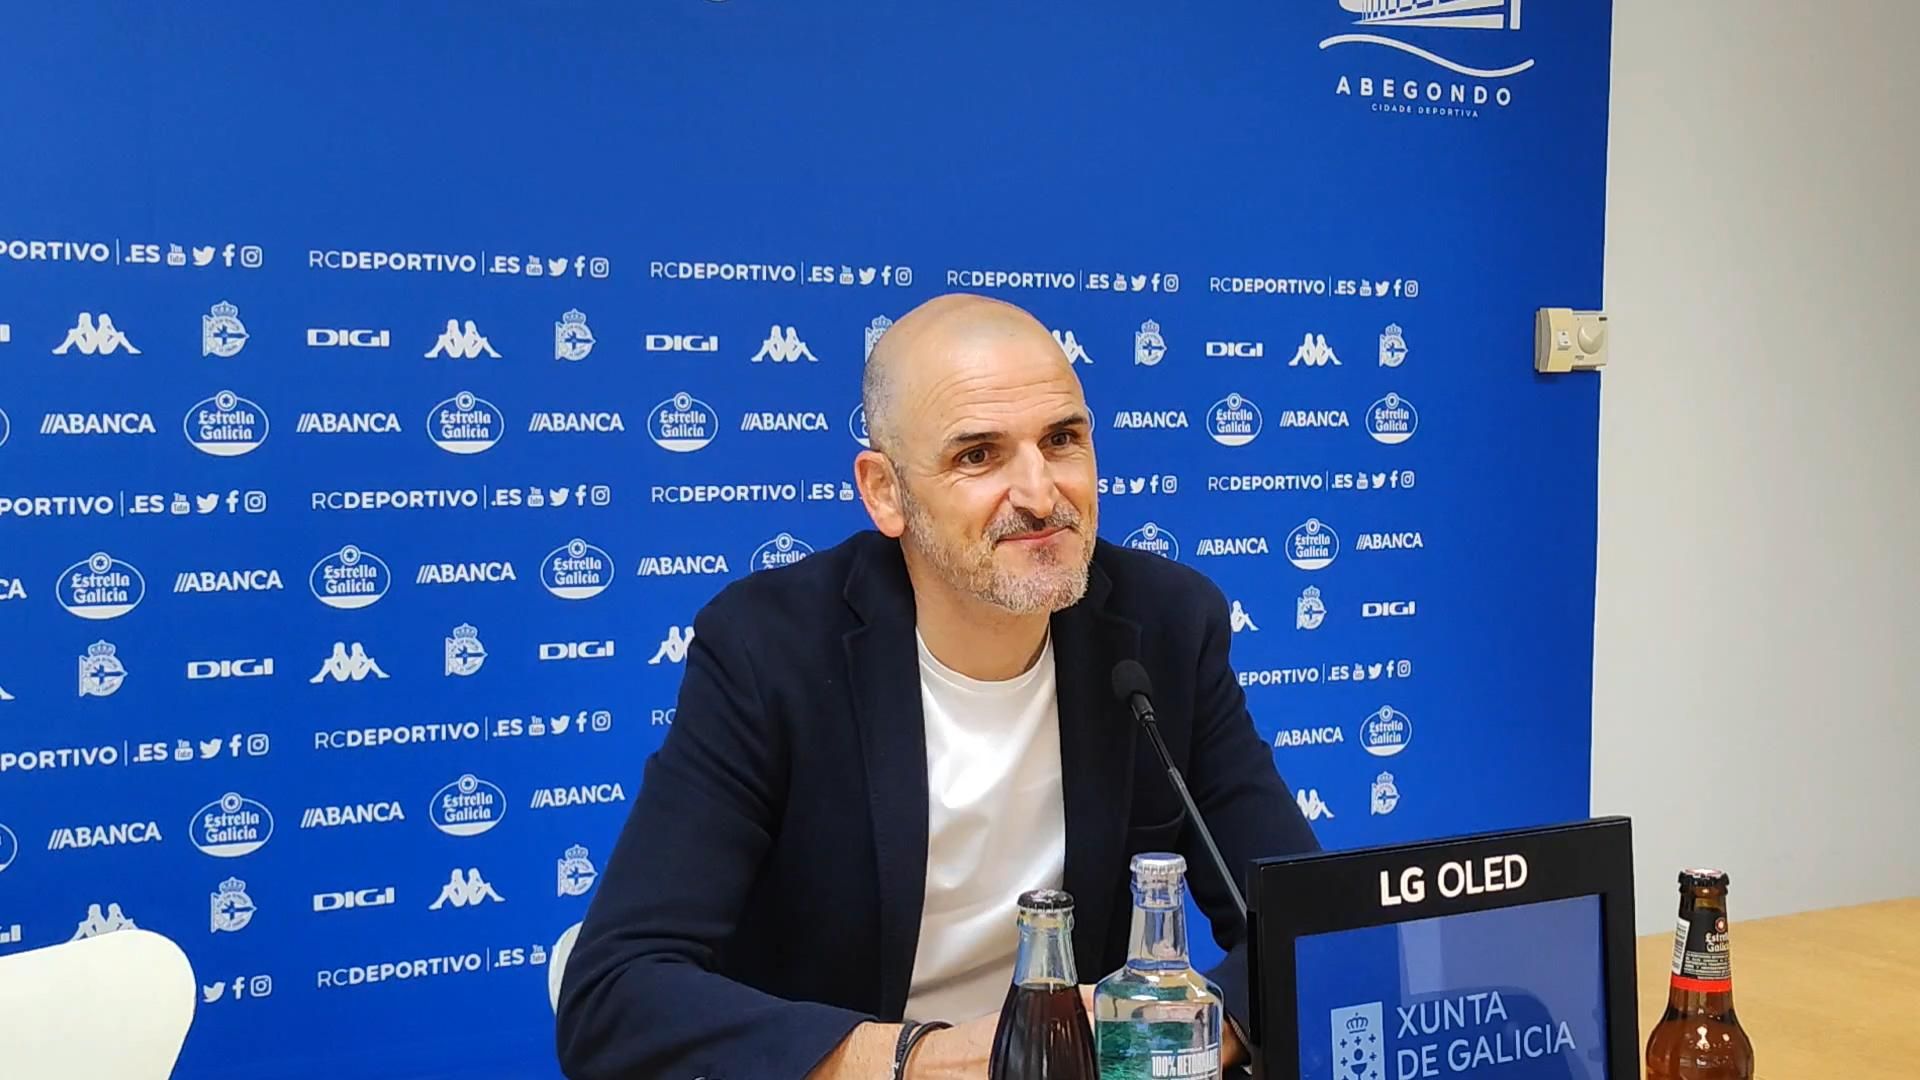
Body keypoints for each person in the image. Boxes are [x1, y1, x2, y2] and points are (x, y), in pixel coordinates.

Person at [556, 294, 1320, 1078]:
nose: (1039, 494)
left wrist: (1149, 1050)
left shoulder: (1166, 627)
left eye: (1062, 440)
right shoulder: (769, 652)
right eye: (978, 456)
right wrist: (929, 1062)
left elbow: (1307, 934)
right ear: (885, 491)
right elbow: (616, 994)